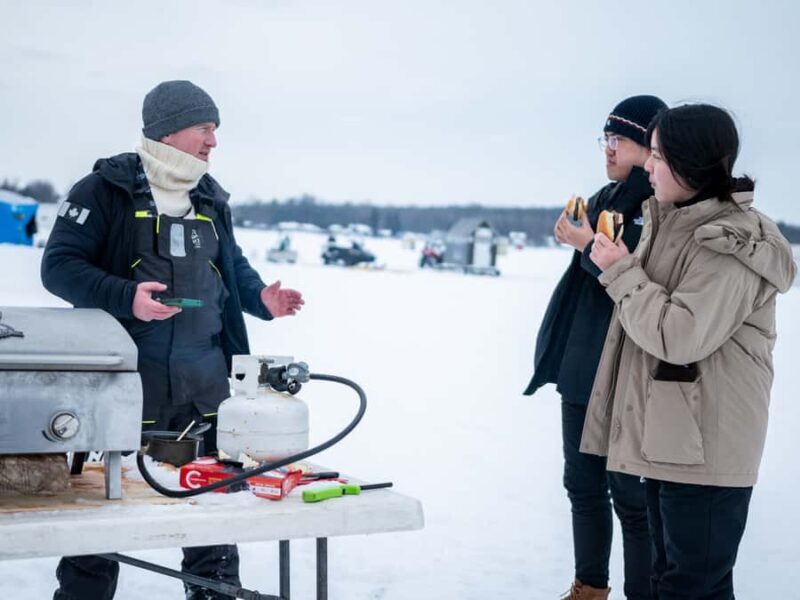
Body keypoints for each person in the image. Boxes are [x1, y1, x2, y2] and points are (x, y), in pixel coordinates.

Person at [42, 80, 304, 600]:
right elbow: (59, 268)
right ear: (169, 129)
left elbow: (232, 269)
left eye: (215, 130)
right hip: (119, 392)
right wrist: (126, 295)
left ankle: (214, 595)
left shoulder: (209, 196)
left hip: (205, 392)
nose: (213, 142)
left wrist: (261, 299)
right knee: (98, 526)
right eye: (205, 128)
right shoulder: (103, 189)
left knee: (214, 516)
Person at [584, 103, 796, 599]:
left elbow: (678, 336)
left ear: (690, 162)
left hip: (707, 446)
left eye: (656, 155)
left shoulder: (732, 241)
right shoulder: (671, 223)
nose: (648, 166)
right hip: (673, 441)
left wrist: (618, 270)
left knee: (692, 589)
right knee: (669, 583)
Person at [524, 95, 667, 599]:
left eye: (618, 139)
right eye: (605, 139)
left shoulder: (657, 207)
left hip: (626, 370)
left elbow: (634, 279)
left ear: (650, 145)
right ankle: (589, 588)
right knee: (581, 486)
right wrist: (581, 239)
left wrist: (586, 245)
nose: (608, 149)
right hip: (582, 367)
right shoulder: (606, 196)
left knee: (631, 497)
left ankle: (641, 593)